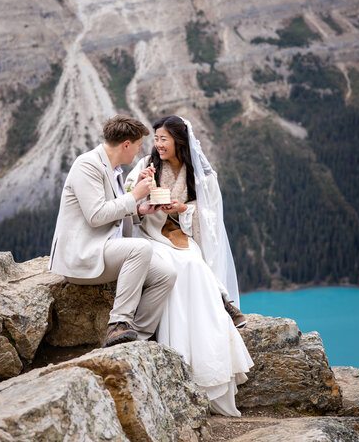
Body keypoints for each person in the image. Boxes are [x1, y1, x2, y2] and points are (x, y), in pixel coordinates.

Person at [125, 115, 253, 416]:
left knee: (193, 264)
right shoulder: (147, 165)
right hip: (152, 233)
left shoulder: (199, 174)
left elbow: (209, 217)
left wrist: (182, 208)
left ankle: (211, 348)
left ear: (179, 141)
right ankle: (210, 319)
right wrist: (144, 199)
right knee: (177, 267)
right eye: (156, 139)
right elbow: (129, 201)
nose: (157, 144)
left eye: (163, 139)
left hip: (181, 233)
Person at [48, 115, 177, 348]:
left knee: (165, 274)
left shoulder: (113, 169)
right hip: (84, 255)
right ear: (126, 144)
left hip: (105, 250)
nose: (138, 153)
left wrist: (139, 209)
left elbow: (115, 212)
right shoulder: (87, 165)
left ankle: (137, 337)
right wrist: (135, 194)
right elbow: (96, 216)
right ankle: (118, 323)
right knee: (140, 248)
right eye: (138, 146)